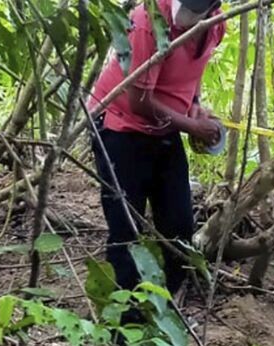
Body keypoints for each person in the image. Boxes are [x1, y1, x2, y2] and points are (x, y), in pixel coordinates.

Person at [87, 0, 225, 297]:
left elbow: (195, 70)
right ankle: (126, 324)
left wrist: (195, 106)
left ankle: (167, 303)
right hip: (119, 125)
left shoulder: (215, 25)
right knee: (126, 227)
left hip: (164, 129)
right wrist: (191, 126)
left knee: (178, 225)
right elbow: (139, 101)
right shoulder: (147, 21)